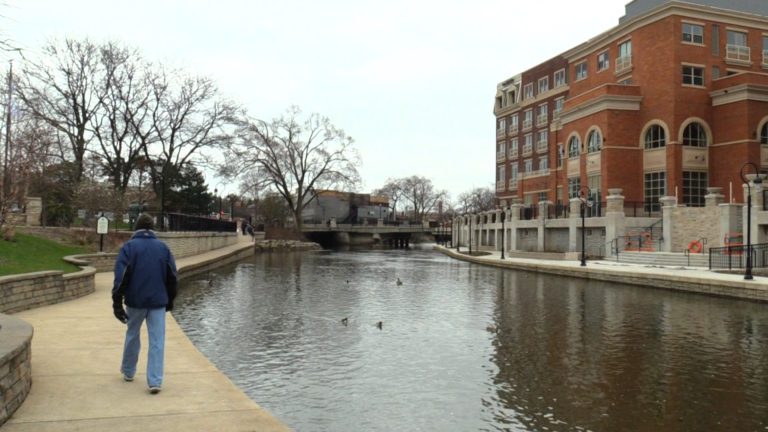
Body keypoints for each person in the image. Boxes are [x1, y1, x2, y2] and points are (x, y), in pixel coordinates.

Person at [112, 213, 178, 394]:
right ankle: (155, 380)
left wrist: (117, 303)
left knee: (132, 334)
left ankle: (128, 371)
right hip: (158, 302)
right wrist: (170, 300)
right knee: (157, 340)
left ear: (137, 228)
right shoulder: (163, 248)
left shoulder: (129, 248)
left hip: (135, 301)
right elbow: (172, 276)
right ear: (152, 229)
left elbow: (120, 277)